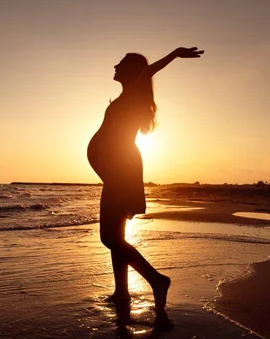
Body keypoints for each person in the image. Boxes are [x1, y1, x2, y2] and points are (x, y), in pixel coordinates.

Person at [87, 46, 204, 323]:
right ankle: (121, 292)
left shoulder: (133, 91)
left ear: (132, 72)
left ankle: (157, 280)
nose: (115, 65)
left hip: (121, 168)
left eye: (121, 63)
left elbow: (148, 70)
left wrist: (175, 53)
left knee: (110, 238)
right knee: (117, 234)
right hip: (119, 168)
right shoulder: (128, 96)